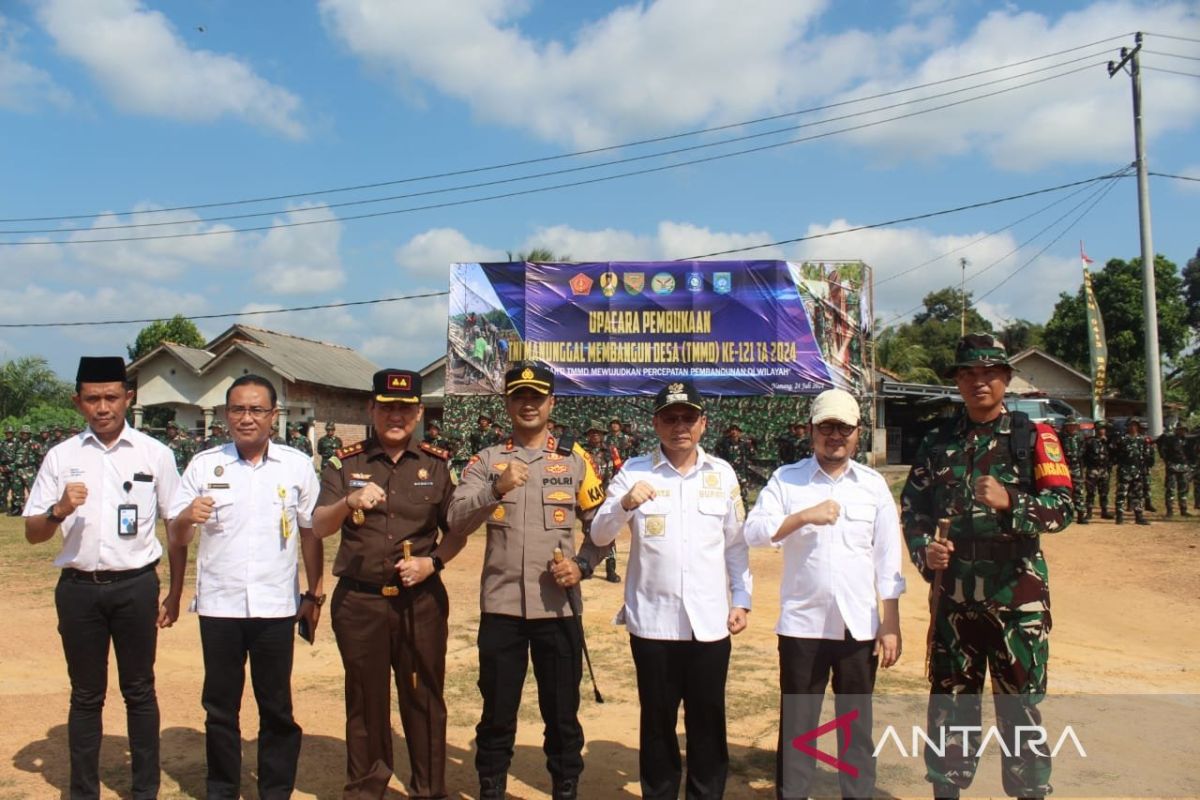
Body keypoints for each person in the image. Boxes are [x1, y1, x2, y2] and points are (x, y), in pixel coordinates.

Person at [900, 333, 1073, 799]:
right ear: (957, 380)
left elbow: (1062, 508)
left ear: (1005, 379)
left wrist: (1010, 501)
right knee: (951, 704)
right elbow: (913, 507)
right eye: (969, 373)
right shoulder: (937, 440)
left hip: (1016, 594)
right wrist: (924, 552)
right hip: (955, 597)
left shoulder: (1033, 436)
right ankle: (947, 791)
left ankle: (1029, 792)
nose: (979, 382)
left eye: (990, 373)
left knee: (1020, 707)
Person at [23, 356, 182, 800]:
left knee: (139, 690)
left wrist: (174, 588)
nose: (103, 407)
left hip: (136, 586)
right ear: (78, 403)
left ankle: (144, 789)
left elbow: (175, 525)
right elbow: (33, 533)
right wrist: (58, 509)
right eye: (92, 398)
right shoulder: (62, 456)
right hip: (79, 591)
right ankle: (82, 791)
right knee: (86, 696)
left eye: (112, 397)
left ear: (129, 398)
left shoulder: (156, 454)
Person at [447, 364, 607, 800]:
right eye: (519, 396)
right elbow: (456, 521)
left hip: (557, 609)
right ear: (508, 403)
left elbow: (601, 529)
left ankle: (565, 784)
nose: (529, 403)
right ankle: (492, 785)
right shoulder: (486, 461)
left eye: (537, 396)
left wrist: (582, 566)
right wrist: (495, 490)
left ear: (551, 402)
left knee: (562, 712)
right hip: (501, 609)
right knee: (497, 710)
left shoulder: (576, 460)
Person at [590, 381, 752, 799]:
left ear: (703, 423)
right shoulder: (634, 472)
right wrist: (623, 503)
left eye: (688, 417)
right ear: (656, 423)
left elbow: (736, 545)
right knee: (658, 722)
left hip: (710, 623)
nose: (679, 425)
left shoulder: (722, 474)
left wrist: (742, 600)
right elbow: (599, 532)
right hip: (653, 624)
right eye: (670, 417)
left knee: (708, 721)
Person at [311, 369, 468, 799]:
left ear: (418, 413)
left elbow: (457, 530)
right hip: (360, 604)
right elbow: (319, 526)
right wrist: (348, 501)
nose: (395, 416)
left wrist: (431, 564)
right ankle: (366, 789)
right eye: (386, 407)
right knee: (366, 701)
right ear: (371, 410)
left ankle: (428, 790)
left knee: (424, 698)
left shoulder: (436, 465)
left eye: (404, 408)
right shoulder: (345, 463)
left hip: (420, 602)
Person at [167, 374, 325, 799]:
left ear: (274, 416)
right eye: (237, 409)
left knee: (276, 707)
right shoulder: (204, 465)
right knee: (220, 708)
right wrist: (186, 518)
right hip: (220, 607)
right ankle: (222, 789)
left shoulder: (296, 465)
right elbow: (177, 535)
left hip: (276, 607)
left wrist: (315, 592)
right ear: (225, 415)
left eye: (257, 409)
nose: (246, 418)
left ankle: (275, 790)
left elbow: (311, 532)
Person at [745, 388, 903, 800]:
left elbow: (888, 562)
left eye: (844, 428)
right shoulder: (787, 479)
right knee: (799, 726)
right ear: (811, 430)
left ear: (857, 434)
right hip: (803, 626)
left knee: (856, 727)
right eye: (827, 427)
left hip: (859, 628)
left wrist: (891, 624)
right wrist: (802, 517)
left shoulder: (872, 486)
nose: (835, 436)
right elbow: (754, 531)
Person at [582, 420, 623, 583]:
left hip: (607, 495)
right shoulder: (581, 451)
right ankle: (587, 565)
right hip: (588, 496)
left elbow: (618, 471)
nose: (595, 434)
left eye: (598, 432)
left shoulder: (611, 450)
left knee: (609, 532)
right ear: (588, 435)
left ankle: (610, 570)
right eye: (592, 432)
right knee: (588, 531)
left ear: (603, 434)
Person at [1112, 419, 1150, 526]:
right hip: (1125, 470)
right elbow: (1115, 454)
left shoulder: (1142, 439)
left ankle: (1139, 516)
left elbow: (1146, 455)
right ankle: (1119, 516)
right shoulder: (1122, 439)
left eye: (1135, 425)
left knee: (1138, 494)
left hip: (1138, 470)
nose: (1133, 427)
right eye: (1131, 425)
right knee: (1121, 493)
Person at [1157, 422, 1192, 517]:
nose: (1183, 431)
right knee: (1170, 489)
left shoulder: (1187, 440)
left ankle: (1183, 510)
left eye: (1184, 430)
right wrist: (1166, 460)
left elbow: (1191, 453)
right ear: (1177, 430)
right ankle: (1170, 510)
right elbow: (1162, 449)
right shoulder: (1169, 439)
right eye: (1181, 429)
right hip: (1172, 466)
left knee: (1184, 489)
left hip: (1184, 467)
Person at [1082, 421, 1113, 520]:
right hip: (1092, 470)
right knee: (1090, 492)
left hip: (1104, 470)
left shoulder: (1108, 442)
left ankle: (1104, 511)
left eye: (1103, 429)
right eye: (1100, 429)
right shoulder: (1090, 442)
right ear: (1096, 430)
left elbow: (1113, 454)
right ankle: (1089, 512)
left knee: (1104, 492)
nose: (1102, 431)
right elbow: (1084, 455)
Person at [1060, 417, 1087, 524]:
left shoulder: (1080, 437)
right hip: (1064, 467)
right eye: (1069, 425)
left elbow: (1083, 453)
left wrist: (1081, 470)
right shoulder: (1061, 437)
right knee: (1063, 491)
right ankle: (1064, 515)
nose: (1071, 427)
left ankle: (1081, 515)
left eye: (1073, 425)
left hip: (1076, 467)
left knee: (1079, 491)